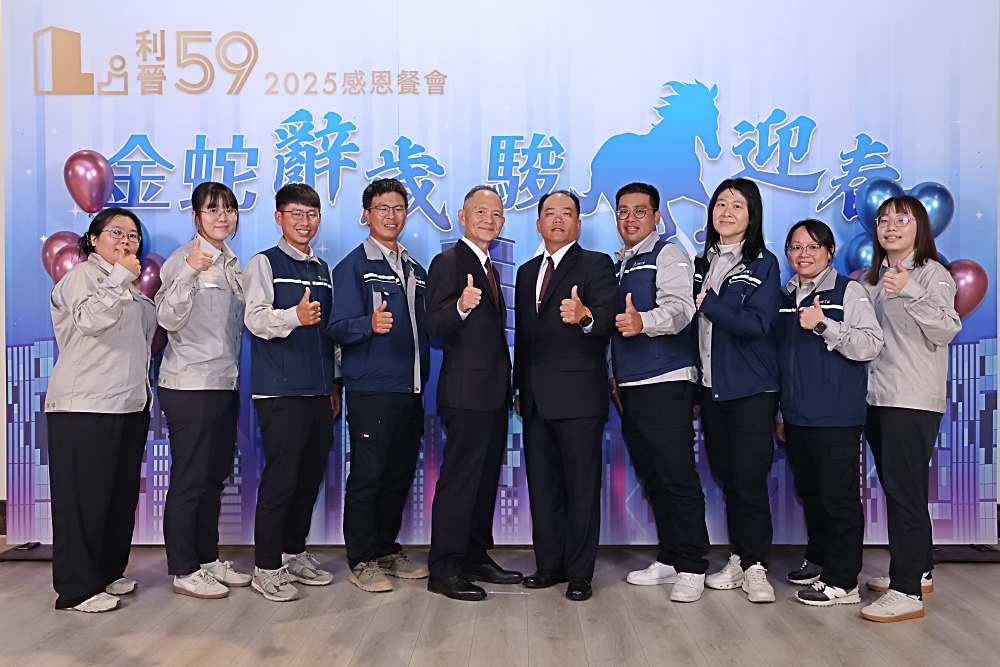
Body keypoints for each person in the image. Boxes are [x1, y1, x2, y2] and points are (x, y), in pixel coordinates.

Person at [46, 207, 156, 612]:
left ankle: (107, 572)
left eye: (133, 235)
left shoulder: (132, 288)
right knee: (83, 501)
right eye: (116, 233)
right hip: (84, 404)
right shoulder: (82, 278)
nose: (126, 241)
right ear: (93, 239)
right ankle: (77, 589)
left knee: (117, 498)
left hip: (129, 404)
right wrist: (121, 277)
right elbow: (89, 320)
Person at [858, 196, 961, 622]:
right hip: (876, 396)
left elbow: (947, 328)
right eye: (883, 220)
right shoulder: (872, 279)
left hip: (911, 398)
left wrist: (911, 290)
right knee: (904, 489)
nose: (891, 226)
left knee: (903, 493)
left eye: (902, 219)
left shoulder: (932, 273)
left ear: (920, 227)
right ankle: (919, 570)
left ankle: (906, 592)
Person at [513, 190, 618, 601]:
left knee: (581, 488)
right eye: (550, 213)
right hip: (535, 399)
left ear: (578, 223)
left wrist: (585, 316)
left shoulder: (596, 263)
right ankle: (549, 565)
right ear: (538, 223)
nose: (558, 219)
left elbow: (609, 318)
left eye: (567, 213)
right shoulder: (525, 272)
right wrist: (520, 386)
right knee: (543, 488)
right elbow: (525, 338)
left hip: (578, 397)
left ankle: (579, 573)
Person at [607, 183, 710, 603]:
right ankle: (670, 556)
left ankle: (693, 564)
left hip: (666, 381)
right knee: (653, 477)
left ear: (656, 217)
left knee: (677, 476)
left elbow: (682, 309)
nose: (630, 219)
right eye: (623, 211)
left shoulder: (668, 254)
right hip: (631, 386)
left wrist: (643, 322)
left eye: (639, 211)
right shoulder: (619, 263)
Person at [772, 219, 883, 607]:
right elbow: (781, 360)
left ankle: (843, 581)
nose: (803, 254)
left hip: (836, 416)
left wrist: (823, 325)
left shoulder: (848, 290)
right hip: (796, 416)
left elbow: (870, 344)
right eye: (796, 247)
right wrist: (781, 415)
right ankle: (819, 560)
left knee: (839, 500)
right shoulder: (785, 295)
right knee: (812, 494)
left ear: (830, 251)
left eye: (812, 246)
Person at [329, 178, 431, 593]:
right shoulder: (353, 266)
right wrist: (367, 325)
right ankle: (361, 559)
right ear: (366, 214)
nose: (391, 215)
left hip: (411, 389)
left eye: (398, 208)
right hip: (372, 390)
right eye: (382, 208)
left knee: (397, 475)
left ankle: (387, 549)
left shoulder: (415, 269)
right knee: (368, 476)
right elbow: (335, 328)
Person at [243, 183, 342, 602]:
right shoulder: (264, 263)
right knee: (281, 480)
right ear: (279, 217)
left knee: (308, 478)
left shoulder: (323, 268)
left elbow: (331, 333)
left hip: (319, 391)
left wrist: (334, 382)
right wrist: (294, 316)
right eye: (296, 213)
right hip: (280, 391)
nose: (305, 222)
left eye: (311, 214)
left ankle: (293, 551)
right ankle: (266, 567)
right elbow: (255, 319)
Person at [425, 185, 522, 601]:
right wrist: (461, 306)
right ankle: (445, 568)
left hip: (493, 393)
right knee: (461, 481)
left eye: (496, 214)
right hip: (466, 392)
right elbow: (434, 323)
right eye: (480, 212)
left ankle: (475, 556)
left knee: (484, 482)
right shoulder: (448, 262)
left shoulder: (490, 266)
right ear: (463, 217)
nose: (489, 220)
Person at [156, 182, 250, 599]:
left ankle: (207, 559)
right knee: (190, 479)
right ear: (196, 217)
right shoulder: (183, 259)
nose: (222, 217)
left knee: (213, 478)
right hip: (190, 384)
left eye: (228, 209)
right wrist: (191, 269)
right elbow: (167, 318)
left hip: (224, 383)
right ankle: (183, 568)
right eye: (212, 210)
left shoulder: (232, 263)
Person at [694, 178, 782, 603]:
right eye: (721, 204)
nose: (726, 212)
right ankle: (739, 556)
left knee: (748, 479)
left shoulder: (763, 263)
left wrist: (710, 303)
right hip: (711, 388)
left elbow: (757, 324)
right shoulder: (701, 262)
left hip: (750, 389)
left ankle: (756, 565)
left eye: (737, 205)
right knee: (728, 477)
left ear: (752, 215)